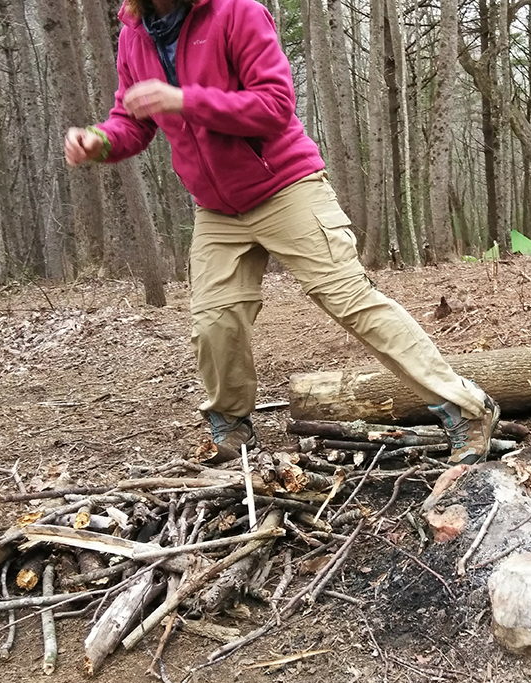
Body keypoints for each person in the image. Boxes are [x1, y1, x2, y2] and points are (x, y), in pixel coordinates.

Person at [63, 0, 499, 465]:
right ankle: (230, 428)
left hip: (285, 184)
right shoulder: (134, 34)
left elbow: (274, 104)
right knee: (215, 320)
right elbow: (133, 119)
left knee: (352, 301)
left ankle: (466, 408)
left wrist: (186, 99)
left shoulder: (236, 12)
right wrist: (102, 140)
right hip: (216, 208)